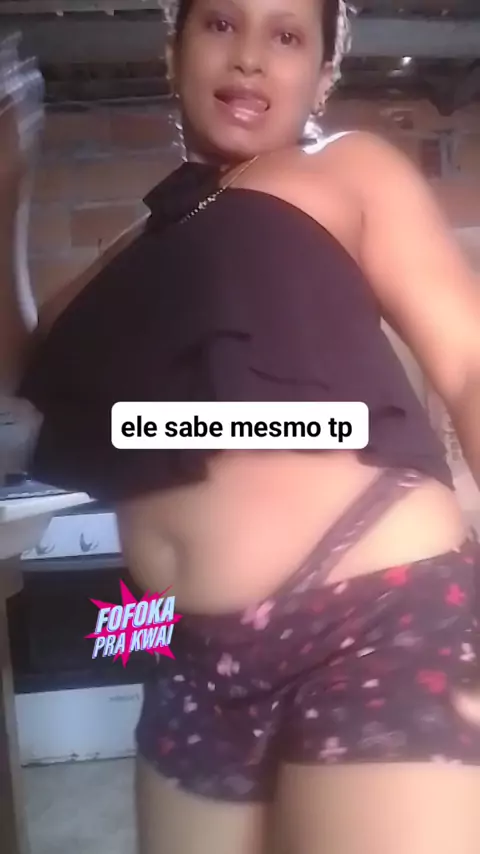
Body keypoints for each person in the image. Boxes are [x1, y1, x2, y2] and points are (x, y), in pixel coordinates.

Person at [2, 1, 480, 852]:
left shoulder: (346, 168)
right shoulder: (137, 245)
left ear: (323, 76)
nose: (250, 57)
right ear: (174, 51)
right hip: (189, 659)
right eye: (221, 24)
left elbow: (470, 364)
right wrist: (9, 181)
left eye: (286, 36)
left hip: (377, 619)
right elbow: (25, 375)